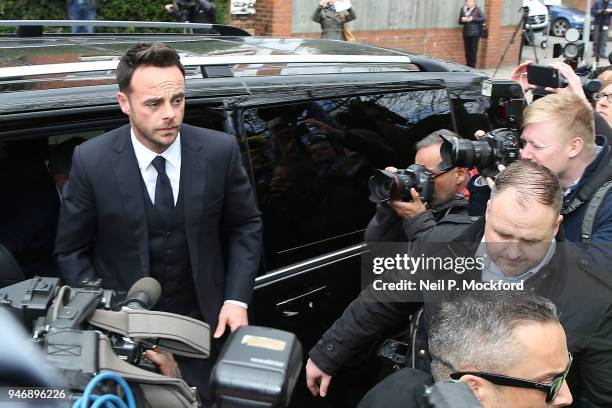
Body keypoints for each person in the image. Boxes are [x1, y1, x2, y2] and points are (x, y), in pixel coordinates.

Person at [54, 42, 263, 407]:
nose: (170, 114)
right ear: (124, 103)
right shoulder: (92, 160)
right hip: (124, 336)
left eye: (178, 100)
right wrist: (103, 317)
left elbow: (246, 225)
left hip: (204, 329)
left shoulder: (219, 151)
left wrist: (235, 298)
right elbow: (71, 249)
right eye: (154, 103)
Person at [306, 160, 612, 406]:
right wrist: (328, 354)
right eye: (503, 234)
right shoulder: (442, 244)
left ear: (556, 226)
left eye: (531, 240)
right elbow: (384, 299)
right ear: (489, 210)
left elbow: (600, 393)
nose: (514, 252)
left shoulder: (593, 292)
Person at [357, 290, 573, 408]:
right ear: (473, 389)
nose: (567, 397)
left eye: (566, 371)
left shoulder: (399, 387)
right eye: (548, 383)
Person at [364, 130, 471, 243]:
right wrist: (390, 204)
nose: (420, 181)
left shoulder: (481, 208)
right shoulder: (420, 204)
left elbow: (445, 257)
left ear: (459, 175)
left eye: (427, 174)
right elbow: (377, 244)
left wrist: (418, 219)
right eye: (416, 173)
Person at [458, 0, 485, 68]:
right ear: (466, 2)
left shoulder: (477, 9)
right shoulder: (463, 9)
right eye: (469, 1)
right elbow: (460, 22)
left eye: (472, 1)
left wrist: (472, 19)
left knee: (473, 52)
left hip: (475, 34)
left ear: (474, 2)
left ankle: (472, 67)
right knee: (467, 51)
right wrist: (462, 20)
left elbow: (483, 19)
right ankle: (468, 66)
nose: (470, 3)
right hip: (466, 33)